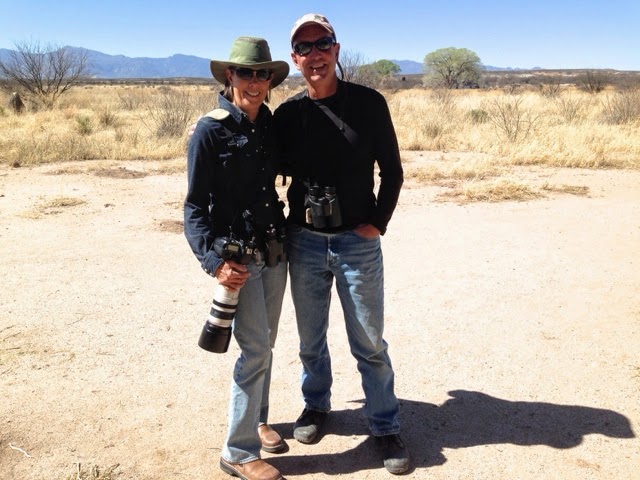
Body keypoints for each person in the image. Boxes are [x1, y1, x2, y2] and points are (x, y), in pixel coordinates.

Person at [273, 13, 410, 475]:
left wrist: (377, 223)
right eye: (304, 47)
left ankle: (385, 424)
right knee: (310, 338)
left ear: (336, 48)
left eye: (322, 43)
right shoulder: (288, 114)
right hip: (305, 242)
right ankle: (316, 406)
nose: (314, 54)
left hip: (356, 242)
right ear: (294, 58)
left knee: (369, 341)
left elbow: (392, 171)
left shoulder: (369, 104)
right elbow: (261, 163)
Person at [184, 36, 289, 480]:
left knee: (266, 343)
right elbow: (194, 208)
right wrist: (214, 263)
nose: (255, 81)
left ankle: (258, 420)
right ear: (230, 75)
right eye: (246, 72)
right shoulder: (210, 130)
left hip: (275, 250)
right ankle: (238, 452)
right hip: (239, 260)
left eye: (262, 74)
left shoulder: (270, 124)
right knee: (255, 349)